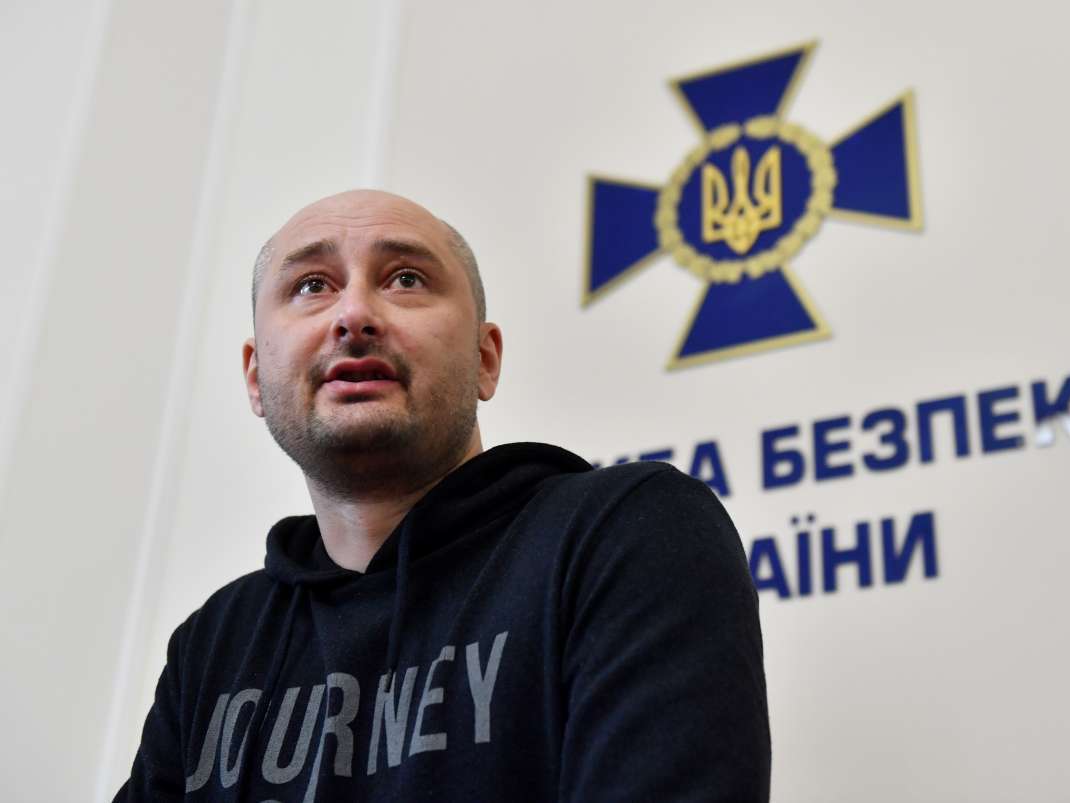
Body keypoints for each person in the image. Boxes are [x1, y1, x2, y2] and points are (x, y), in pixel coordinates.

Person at [115, 189, 771, 801]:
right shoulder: (213, 644)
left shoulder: (628, 535)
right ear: (256, 378)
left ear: (486, 359)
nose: (355, 315)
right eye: (312, 286)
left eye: (406, 279)